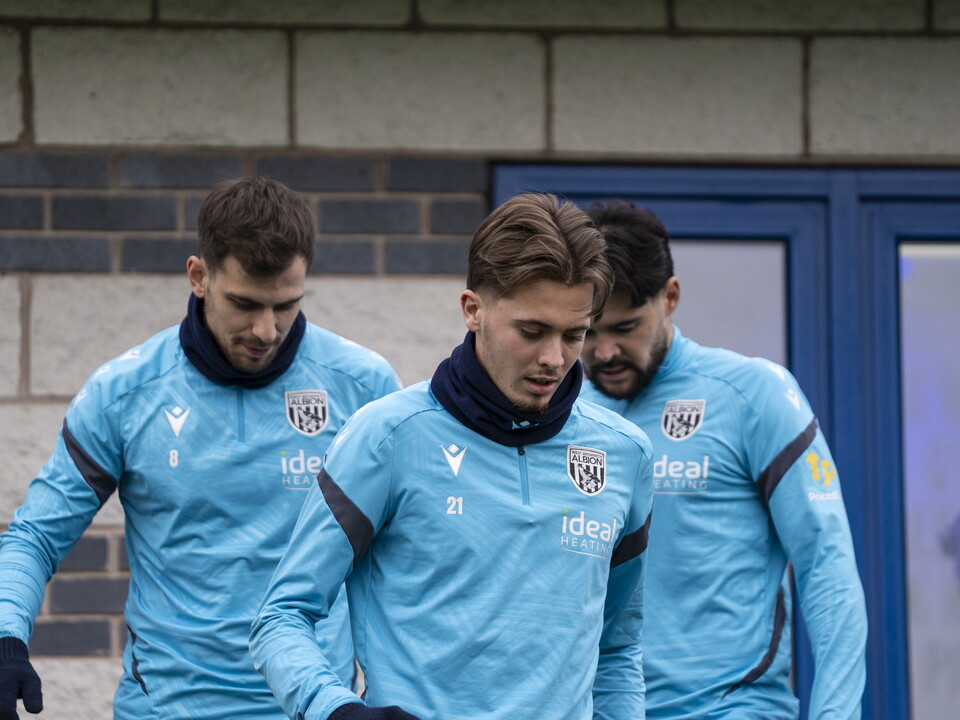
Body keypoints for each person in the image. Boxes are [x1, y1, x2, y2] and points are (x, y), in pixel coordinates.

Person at [0, 177, 402, 720]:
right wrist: (6, 638)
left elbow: (411, 552)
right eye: (244, 303)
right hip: (165, 708)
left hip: (314, 707)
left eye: (286, 305)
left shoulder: (363, 386)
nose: (267, 328)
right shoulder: (123, 393)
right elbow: (36, 537)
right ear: (199, 276)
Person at [249, 192, 656, 720]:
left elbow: (618, 649)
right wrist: (337, 711)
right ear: (473, 310)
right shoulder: (387, 436)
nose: (554, 359)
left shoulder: (625, 454)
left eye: (573, 335)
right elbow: (281, 616)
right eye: (531, 332)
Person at [579, 199, 868, 719]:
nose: (603, 353)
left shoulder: (754, 394)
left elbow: (827, 569)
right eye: (589, 332)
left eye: (625, 329)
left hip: (733, 707)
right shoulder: (567, 410)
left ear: (671, 297)